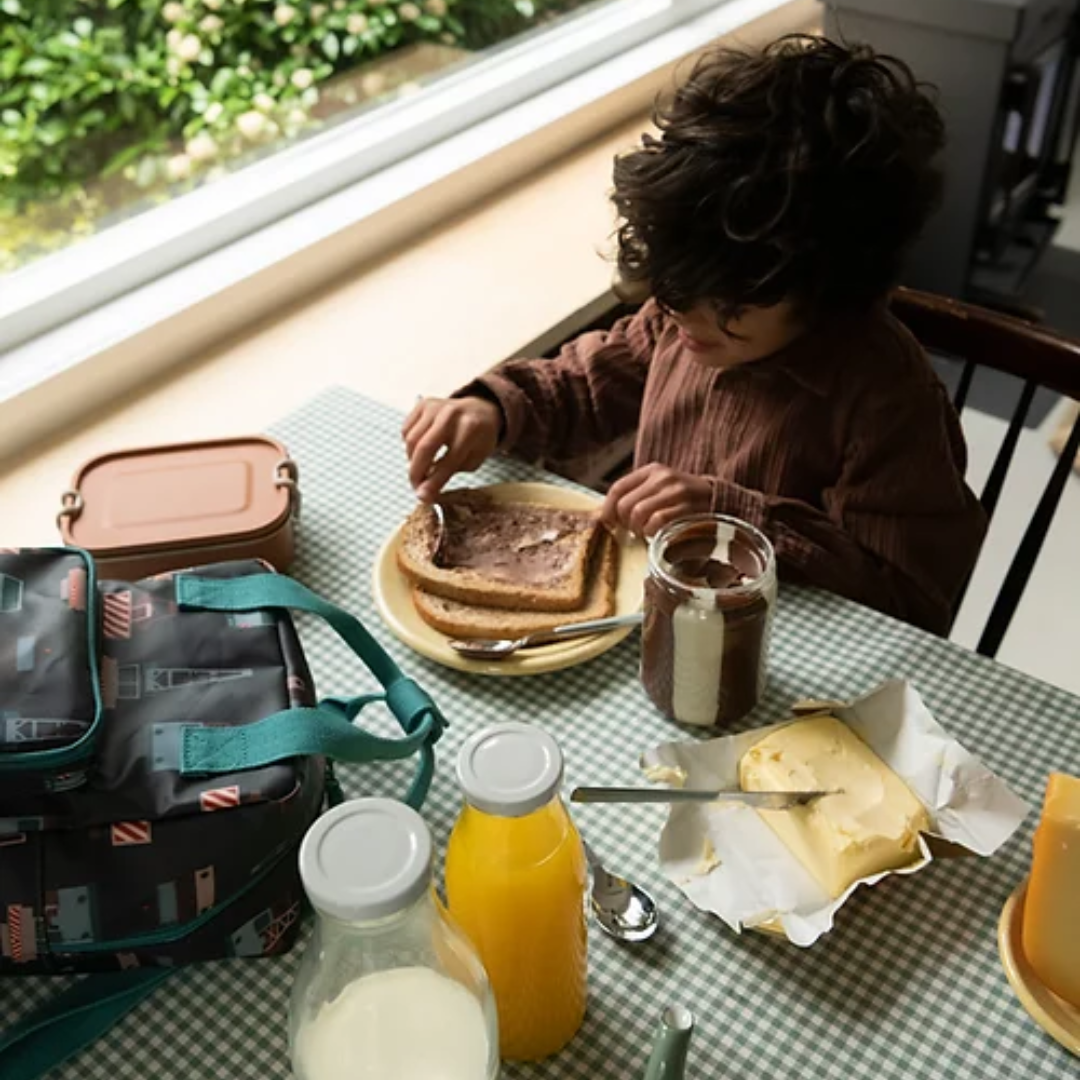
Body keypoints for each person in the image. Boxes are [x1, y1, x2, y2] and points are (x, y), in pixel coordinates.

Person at [402, 35, 986, 634]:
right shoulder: (679, 316)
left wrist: (729, 517)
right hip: (665, 619)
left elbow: (906, 597)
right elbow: (583, 384)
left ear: (828, 286)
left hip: (787, 659)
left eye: (727, 302)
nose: (681, 315)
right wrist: (492, 408)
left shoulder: (885, 396)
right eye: (672, 282)